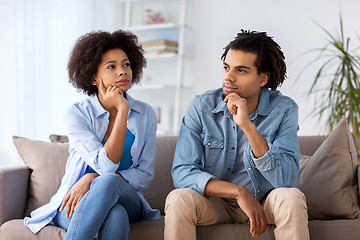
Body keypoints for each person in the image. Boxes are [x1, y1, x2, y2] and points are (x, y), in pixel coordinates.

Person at [164, 30, 309, 240]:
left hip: (264, 201)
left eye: (241, 70)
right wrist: (238, 192)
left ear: (263, 78)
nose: (228, 77)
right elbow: (182, 171)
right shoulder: (202, 107)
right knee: (179, 198)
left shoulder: (284, 110)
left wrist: (247, 126)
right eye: (226, 67)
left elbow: (284, 179)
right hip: (216, 203)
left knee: (292, 197)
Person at [24, 30, 160, 240]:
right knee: (116, 216)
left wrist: (92, 177)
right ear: (94, 78)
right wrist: (96, 178)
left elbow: (144, 174)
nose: (122, 71)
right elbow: (106, 165)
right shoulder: (77, 114)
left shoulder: (146, 114)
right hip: (77, 200)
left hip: (127, 197)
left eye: (126, 64)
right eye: (111, 67)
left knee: (108, 182)